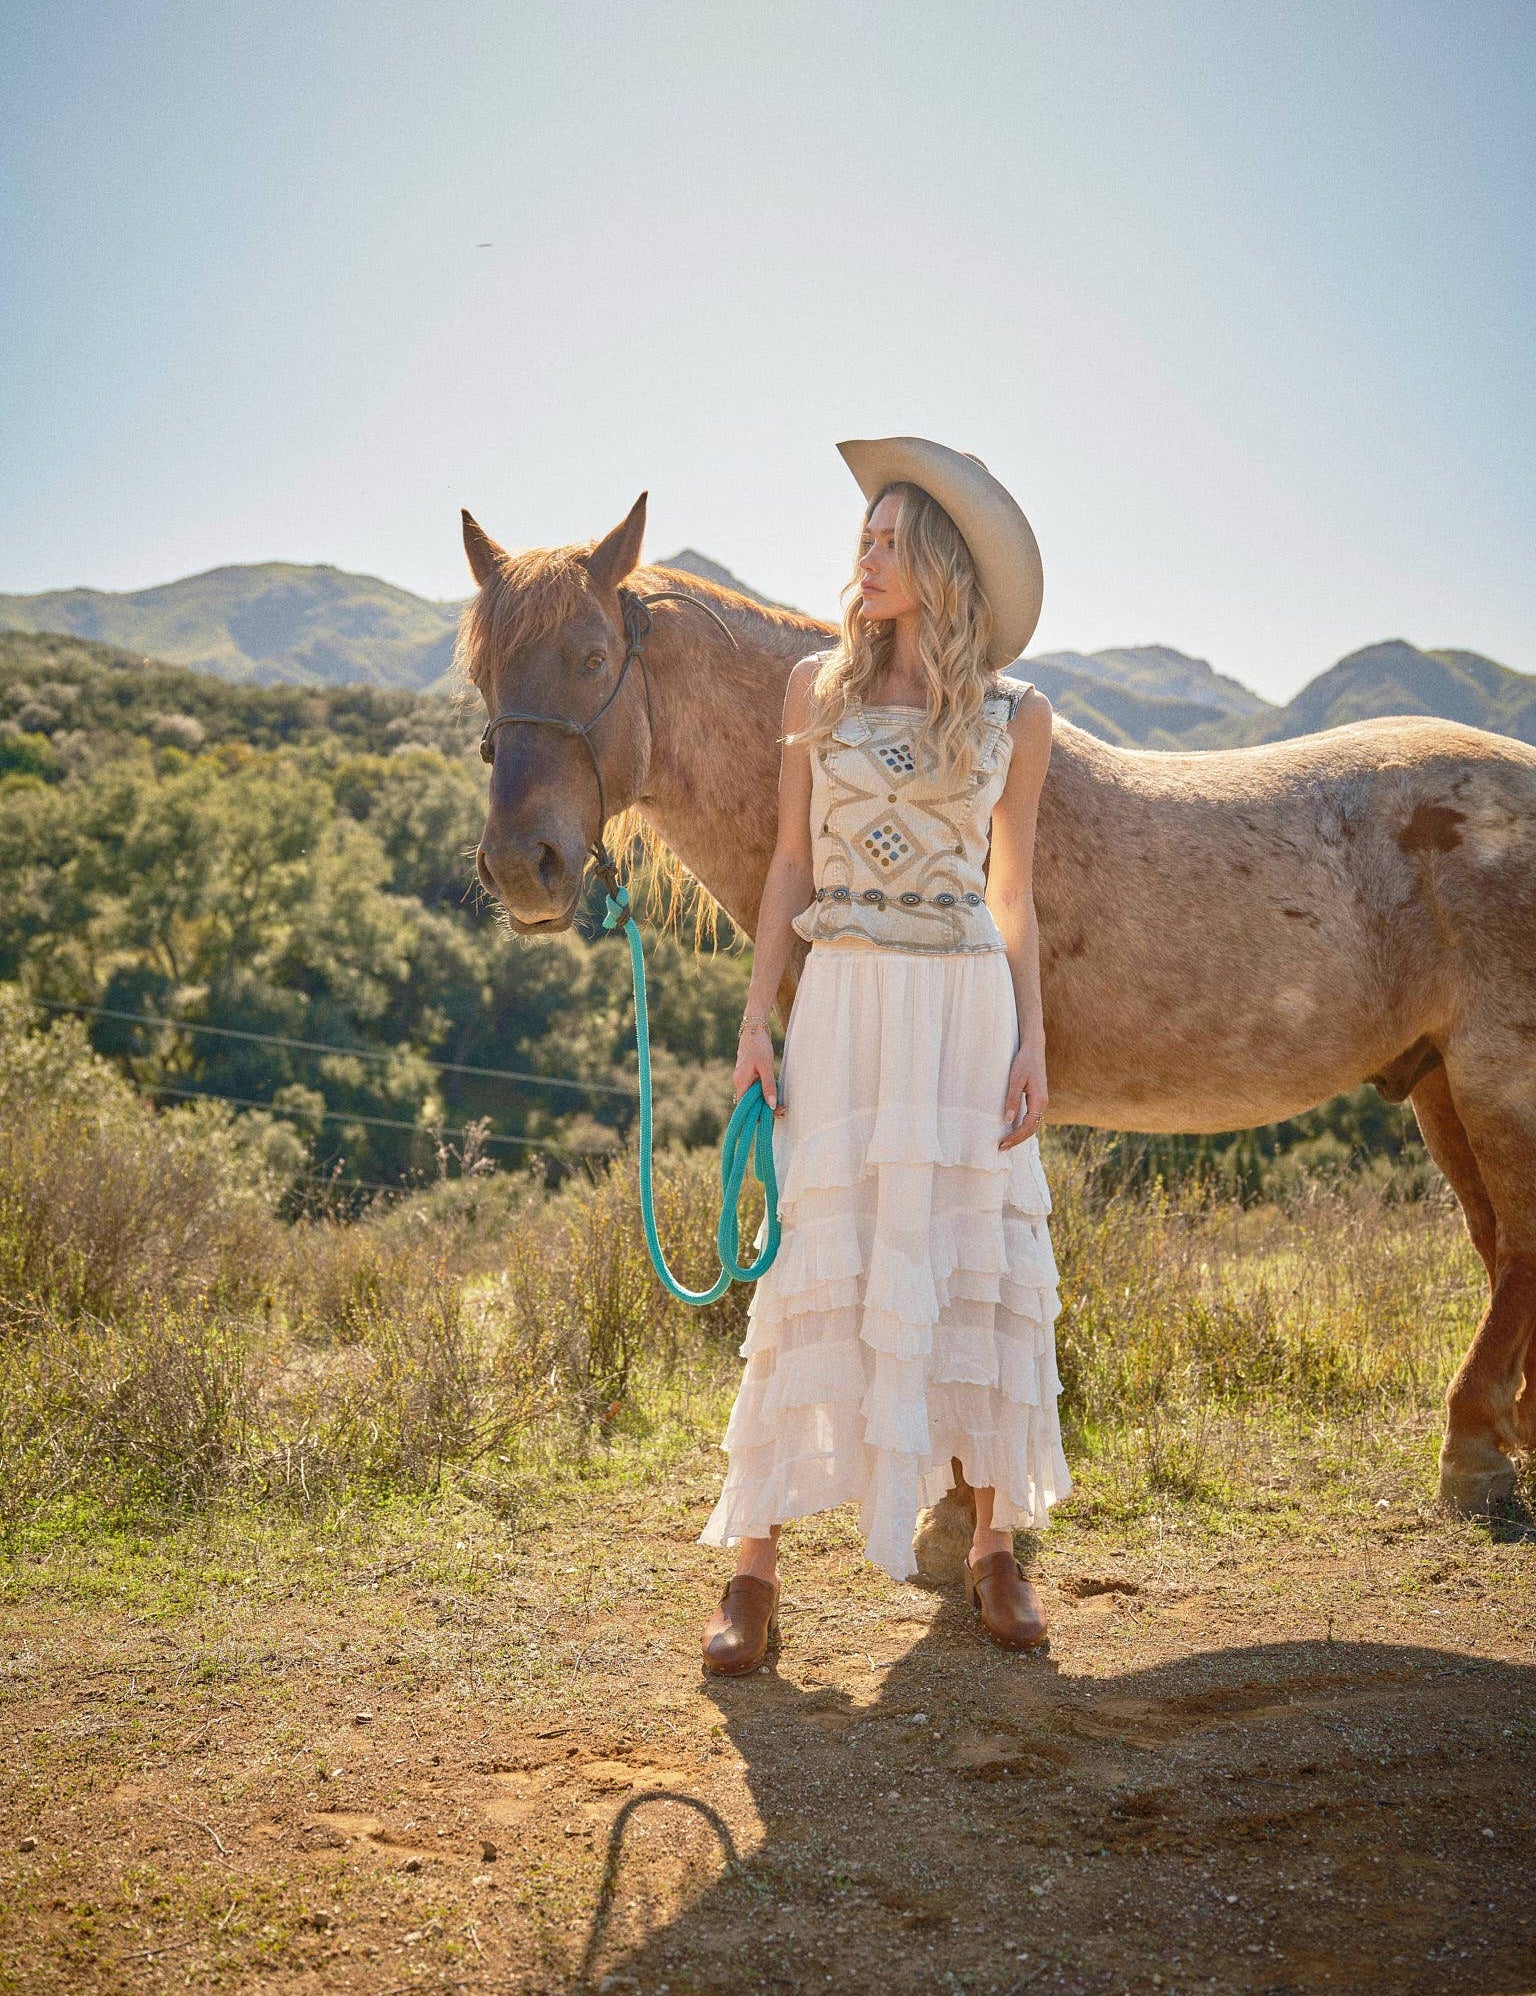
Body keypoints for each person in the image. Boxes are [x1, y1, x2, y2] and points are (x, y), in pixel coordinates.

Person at [697, 435, 1071, 1673]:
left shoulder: (1020, 719)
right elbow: (790, 866)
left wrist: (1033, 1041)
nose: (864, 558)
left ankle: (994, 1545)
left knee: (974, 1253)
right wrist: (758, 1022)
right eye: (861, 538)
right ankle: (753, 1566)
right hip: (847, 999)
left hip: (966, 1013)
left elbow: (1012, 895)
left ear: (940, 568)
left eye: (889, 542)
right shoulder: (817, 690)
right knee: (817, 1252)